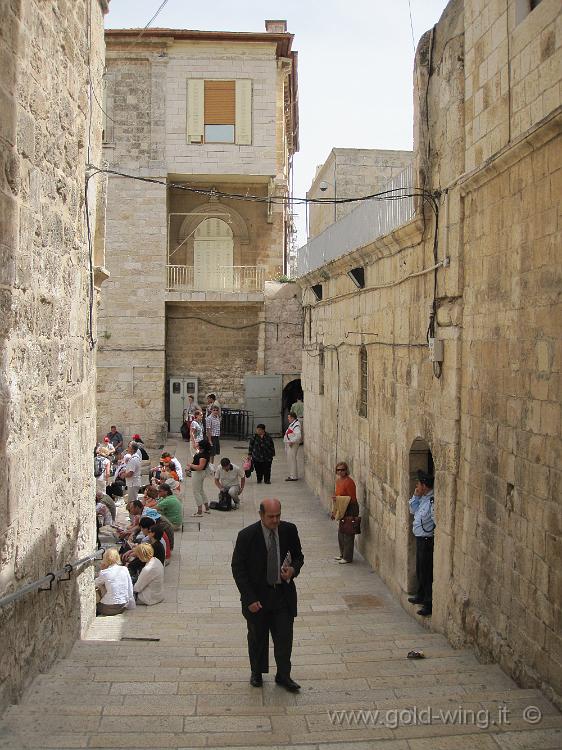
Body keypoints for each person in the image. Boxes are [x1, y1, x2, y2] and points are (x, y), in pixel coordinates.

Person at [231, 499, 304, 691]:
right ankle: (257, 672)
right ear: (261, 515)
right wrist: (249, 598)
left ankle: (284, 675)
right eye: (271, 517)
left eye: (278, 516)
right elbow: (238, 568)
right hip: (258, 597)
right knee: (257, 638)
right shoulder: (247, 536)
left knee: (284, 638)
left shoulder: (289, 530)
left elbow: (298, 556)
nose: (275, 520)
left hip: (282, 595)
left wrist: (293, 570)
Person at [408, 470, 435, 617]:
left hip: (426, 540)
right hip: (419, 538)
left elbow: (436, 521)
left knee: (426, 572)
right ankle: (420, 594)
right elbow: (412, 510)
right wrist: (415, 496)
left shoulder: (432, 501)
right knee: (419, 569)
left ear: (424, 485)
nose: (416, 486)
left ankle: (428, 603)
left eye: (418, 484)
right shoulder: (423, 498)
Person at [331, 462, 359, 564]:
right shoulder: (338, 481)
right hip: (343, 507)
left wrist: (338, 499)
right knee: (341, 532)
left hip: (350, 508)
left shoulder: (349, 482)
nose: (340, 472)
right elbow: (338, 495)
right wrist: (335, 511)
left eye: (342, 470)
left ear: (346, 470)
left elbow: (351, 498)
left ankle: (347, 557)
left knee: (348, 533)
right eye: (338, 470)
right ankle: (343, 554)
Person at [94, 548, 135, 616]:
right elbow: (130, 587)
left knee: (100, 587)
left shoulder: (104, 572)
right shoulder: (124, 569)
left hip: (109, 607)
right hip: (123, 605)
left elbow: (95, 583)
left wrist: (101, 570)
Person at [187, 438, 212, 516]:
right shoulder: (204, 453)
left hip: (198, 474)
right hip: (199, 473)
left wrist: (191, 465)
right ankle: (207, 508)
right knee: (201, 490)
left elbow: (200, 467)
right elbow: (195, 446)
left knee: (196, 492)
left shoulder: (203, 456)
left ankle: (199, 511)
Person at [283, 411, 302, 482]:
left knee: (292, 460)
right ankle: (292, 475)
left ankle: (293, 476)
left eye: (289, 417)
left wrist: (292, 441)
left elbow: (298, 435)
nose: (288, 419)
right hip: (290, 444)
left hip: (293, 445)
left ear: (292, 417)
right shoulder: (293, 424)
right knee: (291, 460)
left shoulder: (296, 425)